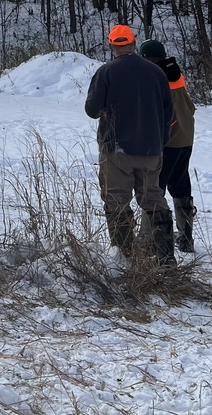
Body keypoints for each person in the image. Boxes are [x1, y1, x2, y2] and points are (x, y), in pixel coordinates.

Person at [84, 24, 176, 266]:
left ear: (110, 45)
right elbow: (169, 111)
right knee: (154, 198)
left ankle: (124, 258)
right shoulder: (157, 72)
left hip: (116, 149)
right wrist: (160, 140)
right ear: (134, 43)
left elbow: (92, 110)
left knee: (116, 200)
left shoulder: (106, 72)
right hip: (152, 148)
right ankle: (166, 258)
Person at [139, 39, 198, 253]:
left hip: (168, 140)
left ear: (144, 58)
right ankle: (186, 238)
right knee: (181, 186)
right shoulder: (175, 72)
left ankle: (146, 240)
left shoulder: (152, 77)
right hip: (185, 135)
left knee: (154, 190)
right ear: (163, 56)